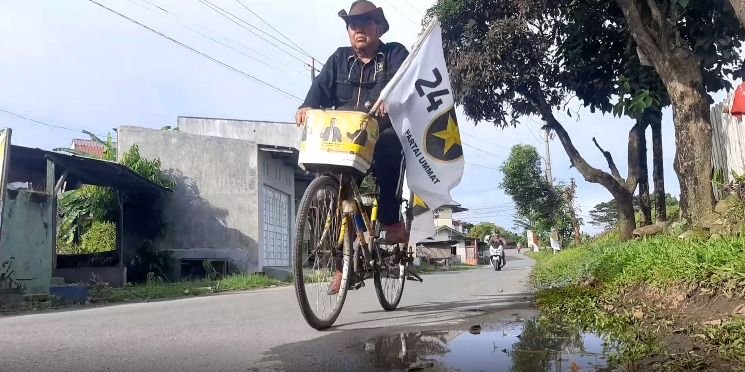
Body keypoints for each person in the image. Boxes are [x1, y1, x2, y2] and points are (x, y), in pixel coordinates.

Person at [296, 0, 409, 295]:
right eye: (352, 26)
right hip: (345, 142)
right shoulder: (338, 59)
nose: (358, 30)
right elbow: (318, 91)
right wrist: (307, 107)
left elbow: (407, 83)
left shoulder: (394, 53)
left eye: (364, 24)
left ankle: (390, 219)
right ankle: (343, 265)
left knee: (390, 145)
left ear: (378, 27)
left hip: (379, 134)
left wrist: (391, 100)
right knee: (329, 189)